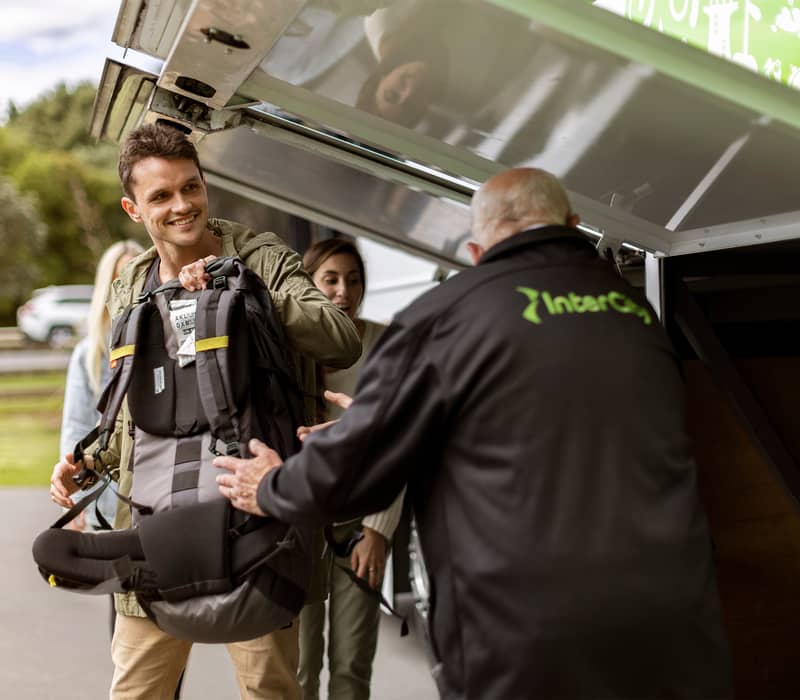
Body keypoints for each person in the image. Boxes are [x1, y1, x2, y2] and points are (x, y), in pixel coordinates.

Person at [214, 167, 734, 699]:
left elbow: (355, 476)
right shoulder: (635, 312)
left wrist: (273, 484)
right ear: (572, 223)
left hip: (526, 635)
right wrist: (387, 426)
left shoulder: (446, 317)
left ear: (477, 251)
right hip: (673, 621)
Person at [49, 123, 361, 700]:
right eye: (161, 196)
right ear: (133, 209)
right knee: (136, 693)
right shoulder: (131, 284)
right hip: (156, 530)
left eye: (190, 187)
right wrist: (88, 463)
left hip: (257, 527)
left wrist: (240, 290)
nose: (182, 205)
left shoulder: (261, 256)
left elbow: (341, 340)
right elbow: (134, 410)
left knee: (269, 690)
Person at [299, 239, 405, 700]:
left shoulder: (387, 342)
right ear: (309, 284)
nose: (343, 291)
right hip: (299, 527)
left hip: (362, 526)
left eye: (353, 279)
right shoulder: (290, 344)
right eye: (331, 279)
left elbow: (400, 440)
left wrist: (378, 529)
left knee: (351, 669)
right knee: (298, 669)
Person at [58, 239, 144, 636]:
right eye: (118, 277)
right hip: (110, 501)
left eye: (135, 273)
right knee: (125, 613)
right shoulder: (90, 353)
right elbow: (77, 426)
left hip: (161, 495)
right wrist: (74, 495)